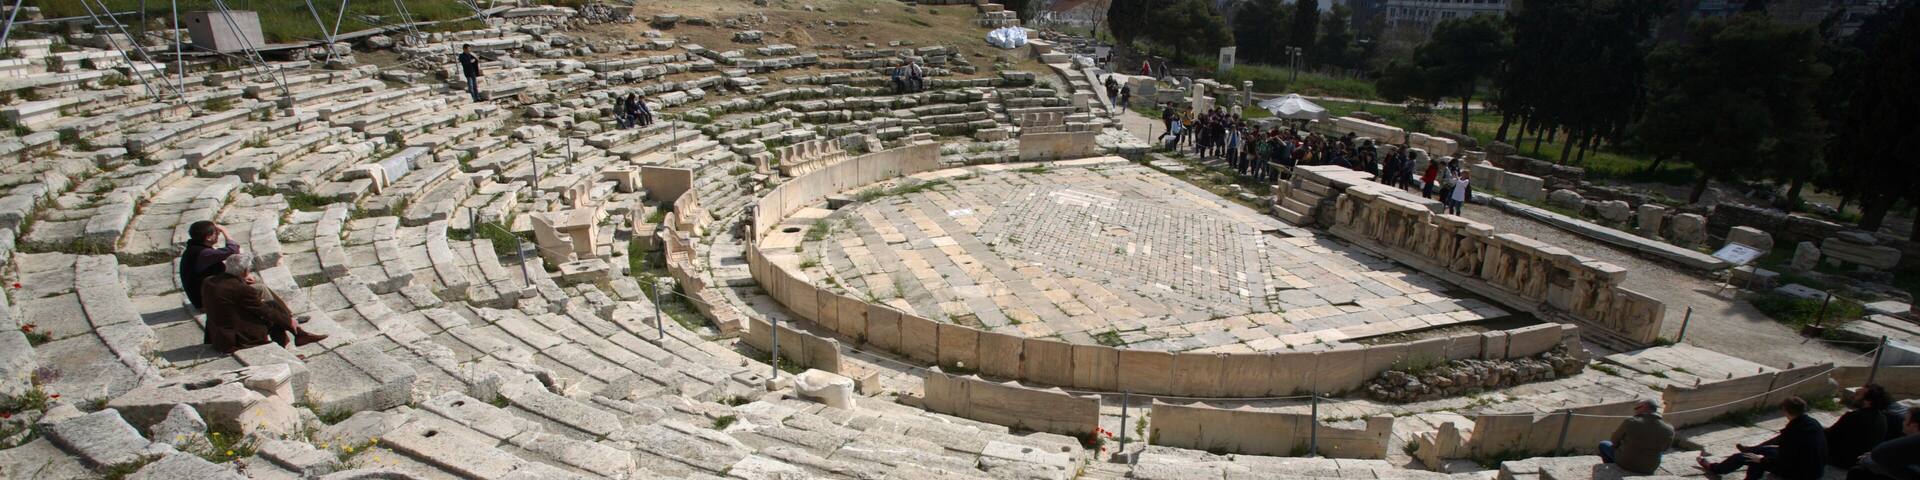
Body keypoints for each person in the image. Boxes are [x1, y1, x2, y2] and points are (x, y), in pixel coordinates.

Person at [201, 253, 327, 353]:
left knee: (272, 305)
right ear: (245, 271)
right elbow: (263, 311)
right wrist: (288, 321)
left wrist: (242, 280)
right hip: (236, 338)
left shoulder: (209, 281)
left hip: (218, 333)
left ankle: (299, 335)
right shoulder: (242, 289)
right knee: (272, 317)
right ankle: (291, 343)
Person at [1698, 397, 1828, 480]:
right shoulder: (1811, 423)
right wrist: (1759, 450)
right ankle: (1751, 450)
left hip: (1800, 473)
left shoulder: (1793, 433)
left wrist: (1762, 459)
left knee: (1748, 458)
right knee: (1763, 451)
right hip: (1814, 469)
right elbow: (1785, 445)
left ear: (1785, 410)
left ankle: (1715, 468)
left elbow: (1787, 460)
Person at [1600, 399, 1676, 474]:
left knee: (1603, 444)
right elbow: (1665, 448)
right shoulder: (1669, 429)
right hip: (1649, 467)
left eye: (1636, 408)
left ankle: (1613, 468)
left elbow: (1614, 441)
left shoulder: (1631, 421)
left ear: (1644, 407)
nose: (1635, 411)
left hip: (1625, 463)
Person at [180, 220, 241, 310]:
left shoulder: (194, 248)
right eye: (216, 232)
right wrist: (225, 231)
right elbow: (233, 250)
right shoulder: (203, 253)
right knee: (256, 289)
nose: (218, 234)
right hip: (207, 302)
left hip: (206, 296)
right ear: (208, 237)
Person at [1829, 385, 1896, 468]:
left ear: (1868, 401)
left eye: (1857, 394)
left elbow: (1830, 436)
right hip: (1859, 461)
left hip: (1841, 461)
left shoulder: (1854, 417)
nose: (1853, 396)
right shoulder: (1882, 418)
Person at [1848, 409, 1919, 480]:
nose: (1902, 422)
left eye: (1905, 420)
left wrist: (1867, 459)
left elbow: (1878, 454)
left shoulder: (1911, 446)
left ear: (1914, 426)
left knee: (1858, 472)